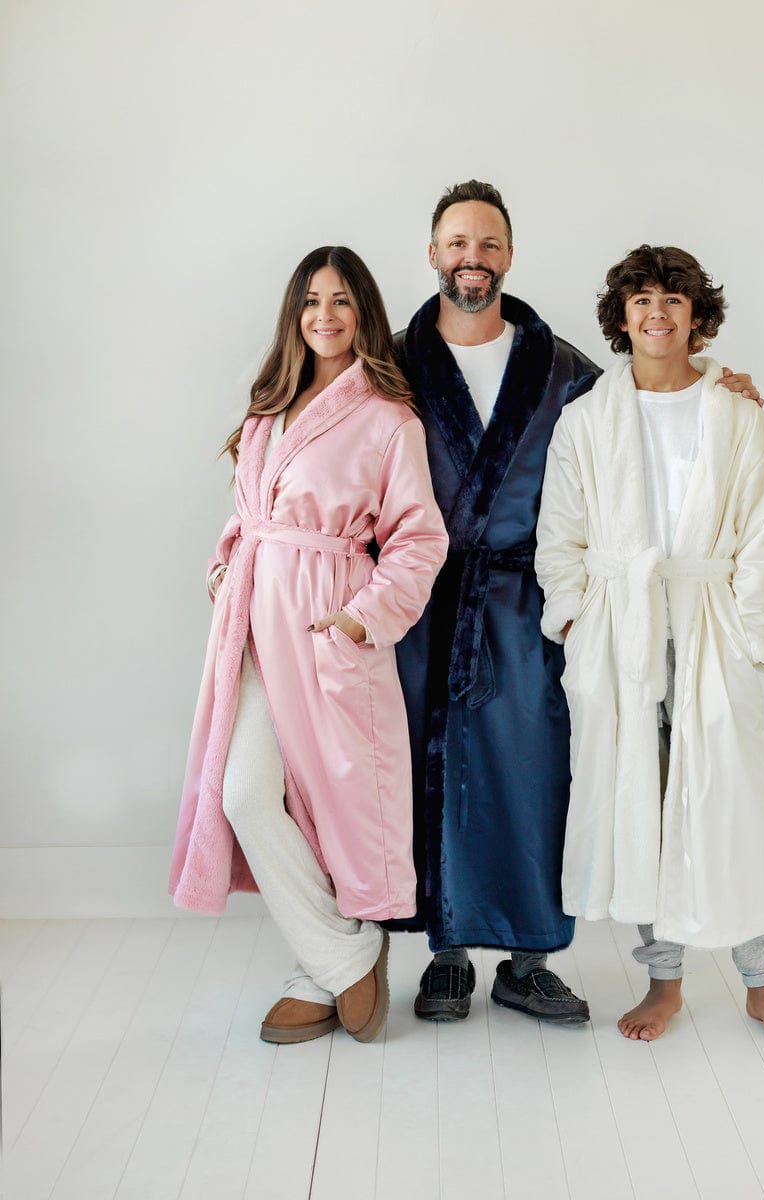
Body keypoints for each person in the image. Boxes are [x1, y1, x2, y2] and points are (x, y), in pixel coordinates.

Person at [392, 183, 764, 1025]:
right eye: (458, 243)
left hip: (531, 602)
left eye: (489, 243)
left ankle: (530, 960)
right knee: (436, 772)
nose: (473, 258)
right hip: (428, 602)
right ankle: (446, 953)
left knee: (538, 773)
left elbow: (646, 405)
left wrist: (720, 384)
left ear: (509, 255)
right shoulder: (394, 361)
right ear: (433, 254)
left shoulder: (560, 368)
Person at [535, 245, 764, 1047]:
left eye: (672, 299)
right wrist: (576, 622)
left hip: (708, 629)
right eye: (642, 300)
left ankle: (763, 983)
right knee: (642, 808)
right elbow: (560, 535)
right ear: (622, 318)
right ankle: (664, 982)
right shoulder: (586, 420)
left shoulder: (737, 416)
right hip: (619, 632)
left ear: (697, 316)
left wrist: (752, 638)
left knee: (732, 806)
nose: (657, 312)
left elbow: (763, 537)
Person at [169, 247, 448, 1045]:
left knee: (325, 802)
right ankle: (344, 956)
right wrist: (223, 565)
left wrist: (361, 618)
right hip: (253, 632)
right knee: (247, 794)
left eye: (342, 301)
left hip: (327, 627)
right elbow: (248, 516)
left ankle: (317, 968)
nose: (325, 315)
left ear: (364, 314)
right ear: (294, 314)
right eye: (312, 301)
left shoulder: (389, 420)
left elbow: (419, 539)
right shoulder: (268, 412)